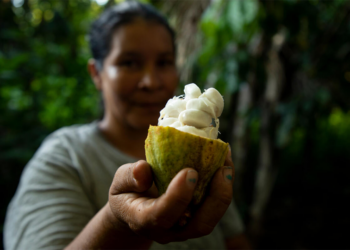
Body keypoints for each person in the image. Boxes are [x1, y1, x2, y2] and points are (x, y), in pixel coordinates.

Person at [4, 2, 250, 249]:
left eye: (164, 63)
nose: (151, 82)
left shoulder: (204, 157)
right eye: (130, 63)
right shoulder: (65, 156)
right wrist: (116, 221)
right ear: (96, 74)